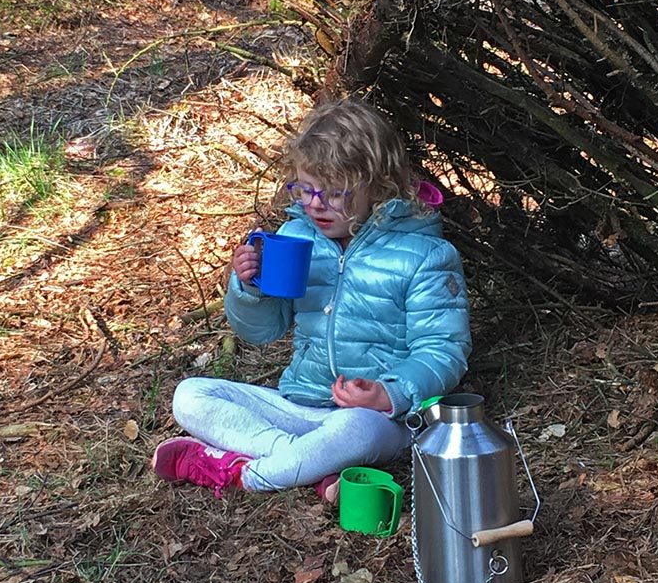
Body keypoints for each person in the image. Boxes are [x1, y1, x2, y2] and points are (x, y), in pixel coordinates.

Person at [150, 98, 471, 502]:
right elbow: (264, 331)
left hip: (374, 419)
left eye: (334, 193)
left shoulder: (424, 255)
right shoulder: (296, 238)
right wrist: (250, 289)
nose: (315, 204)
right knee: (191, 396)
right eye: (304, 189)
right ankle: (307, 464)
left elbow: (444, 350)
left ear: (377, 184)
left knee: (353, 431)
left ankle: (241, 473)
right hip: (299, 405)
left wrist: (391, 393)